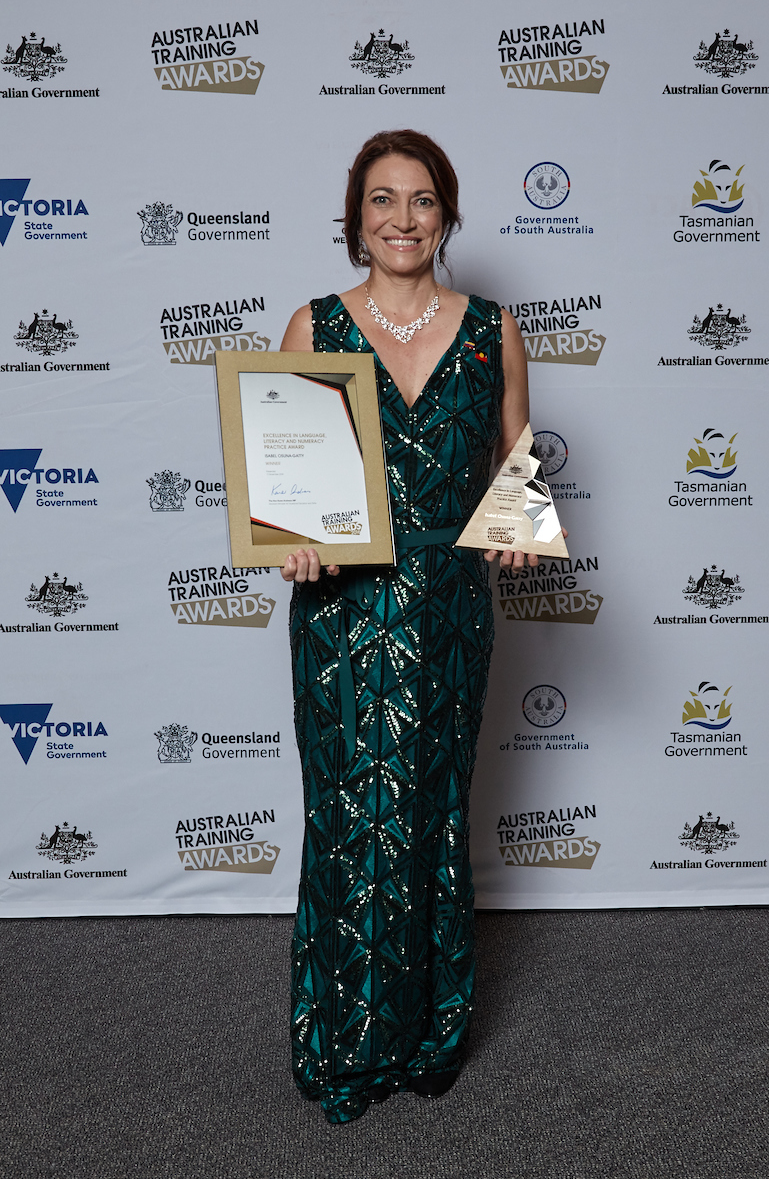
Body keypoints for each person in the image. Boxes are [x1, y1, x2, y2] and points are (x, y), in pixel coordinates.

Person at [280, 129, 545, 1124]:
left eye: (422, 199)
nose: (402, 218)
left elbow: (516, 460)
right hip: (342, 613)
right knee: (349, 816)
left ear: (447, 215)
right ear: (356, 218)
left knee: (432, 812)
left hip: (447, 607)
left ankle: (430, 1033)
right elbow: (287, 482)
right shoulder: (314, 325)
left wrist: (519, 527)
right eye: (382, 200)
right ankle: (344, 1040)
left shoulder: (492, 329)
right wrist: (294, 541)